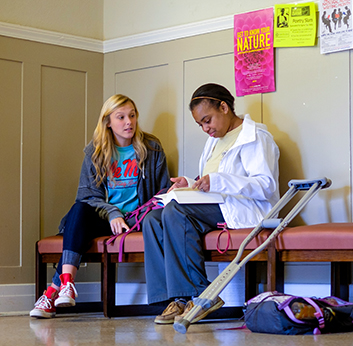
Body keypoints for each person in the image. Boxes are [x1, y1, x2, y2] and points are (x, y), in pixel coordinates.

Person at [143, 83, 280, 325]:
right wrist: (190, 183)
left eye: (208, 120)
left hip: (246, 209)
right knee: (153, 218)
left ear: (224, 107)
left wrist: (216, 181)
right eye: (201, 125)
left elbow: (265, 186)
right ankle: (174, 299)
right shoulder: (215, 140)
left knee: (176, 212)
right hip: (217, 205)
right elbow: (212, 180)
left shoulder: (256, 137)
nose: (206, 129)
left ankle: (202, 294)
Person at [30, 94, 171, 318]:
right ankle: (66, 283)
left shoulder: (151, 147)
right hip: (104, 219)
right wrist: (113, 213)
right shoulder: (95, 151)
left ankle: (53, 291)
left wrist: (131, 216)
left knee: (78, 229)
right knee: (78, 210)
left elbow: (162, 192)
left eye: (132, 116)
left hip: (136, 220)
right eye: (121, 117)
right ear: (108, 121)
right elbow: (87, 196)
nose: (129, 122)